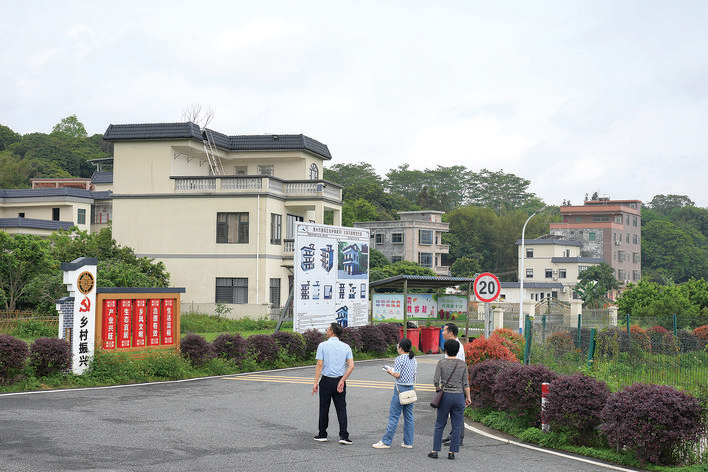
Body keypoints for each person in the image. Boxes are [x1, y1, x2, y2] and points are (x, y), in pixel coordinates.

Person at [312, 322, 355, 444]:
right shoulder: (346, 347)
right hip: (339, 381)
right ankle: (344, 436)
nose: (326, 331)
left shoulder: (322, 346)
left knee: (324, 408)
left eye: (327, 329)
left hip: (326, 380)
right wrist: (342, 380)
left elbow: (319, 364)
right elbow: (351, 366)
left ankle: (322, 434)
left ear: (331, 332)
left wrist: (315, 382)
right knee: (341, 408)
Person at [428, 338, 471, 460]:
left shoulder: (441, 363)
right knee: (456, 425)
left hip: (445, 396)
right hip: (459, 396)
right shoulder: (462, 364)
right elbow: (465, 383)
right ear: (457, 351)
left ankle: (435, 451)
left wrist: (438, 390)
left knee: (440, 424)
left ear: (446, 350)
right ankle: (452, 452)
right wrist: (468, 397)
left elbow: (436, 380)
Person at [372, 338, 417, 449]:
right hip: (410, 389)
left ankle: (386, 442)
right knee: (409, 416)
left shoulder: (399, 359)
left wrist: (389, 371)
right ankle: (408, 442)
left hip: (400, 389)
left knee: (394, 417)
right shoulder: (414, 359)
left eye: (398, 346)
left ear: (401, 348)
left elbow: (397, 374)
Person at [441, 322, 465, 447]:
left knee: (457, 412)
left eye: (444, 330)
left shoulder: (457, 347)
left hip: (456, 384)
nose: (442, 333)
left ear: (450, 333)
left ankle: (458, 437)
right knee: (453, 412)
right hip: (453, 383)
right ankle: (453, 435)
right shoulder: (452, 345)